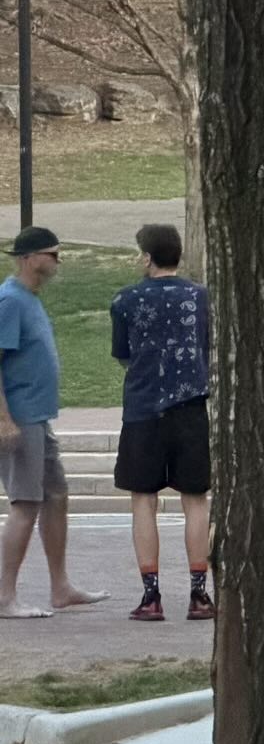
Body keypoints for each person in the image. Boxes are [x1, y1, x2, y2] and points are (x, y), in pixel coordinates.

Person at [110, 224, 214, 622]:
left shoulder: (125, 300)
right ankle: (199, 594)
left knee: (143, 500)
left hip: (143, 408)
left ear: (148, 258)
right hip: (190, 407)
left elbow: (123, 354)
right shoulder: (200, 297)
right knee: (195, 500)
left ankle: (151, 595)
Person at [0, 228, 105, 619]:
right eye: (53, 254)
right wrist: (4, 419)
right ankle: (6, 597)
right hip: (20, 418)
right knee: (25, 505)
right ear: (30, 258)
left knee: (56, 496)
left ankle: (60, 587)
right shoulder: (9, 301)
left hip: (39, 419)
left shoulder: (30, 299)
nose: (58, 262)